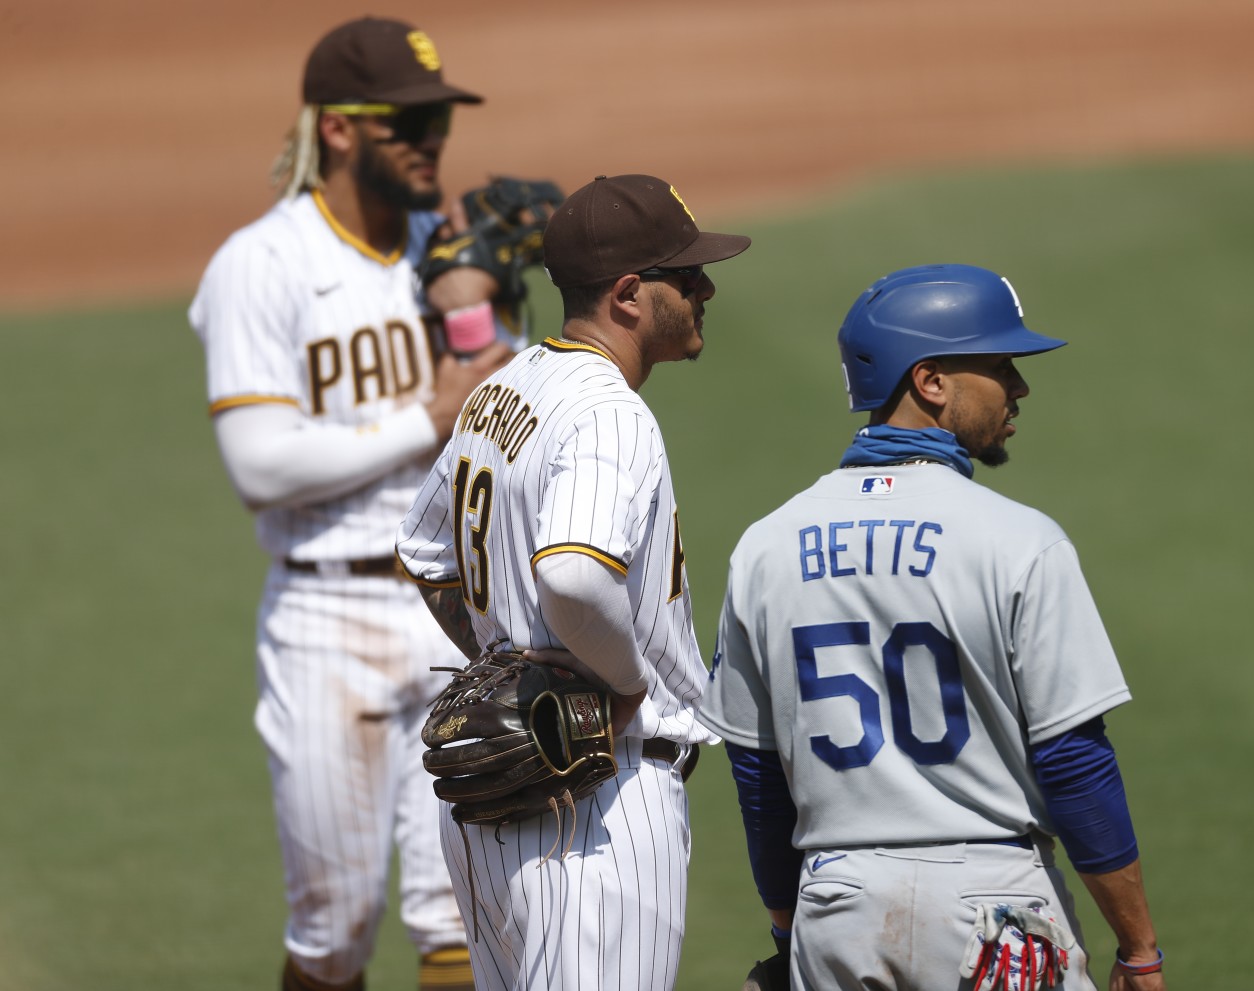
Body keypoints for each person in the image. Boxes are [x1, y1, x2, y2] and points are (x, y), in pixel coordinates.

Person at [700, 264, 1166, 991]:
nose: (1019, 387)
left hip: (838, 907)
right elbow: (1074, 761)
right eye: (999, 365)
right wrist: (1139, 947)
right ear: (931, 381)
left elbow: (757, 774)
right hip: (995, 906)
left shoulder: (766, 545)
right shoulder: (1019, 540)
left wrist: (790, 931)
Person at [187, 17, 514, 991]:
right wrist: (429, 414)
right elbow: (262, 465)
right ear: (337, 129)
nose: (430, 142)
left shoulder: (448, 252)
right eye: (404, 123)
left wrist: (494, 315)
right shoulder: (264, 263)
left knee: (461, 907)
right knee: (335, 927)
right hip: (326, 618)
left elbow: (489, 410)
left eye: (437, 123)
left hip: (451, 611)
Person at [395, 174, 751, 991]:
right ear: (629, 294)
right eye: (686, 276)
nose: (706, 289)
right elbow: (573, 572)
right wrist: (622, 682)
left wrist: (506, 660)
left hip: (497, 812)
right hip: (596, 807)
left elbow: (422, 553)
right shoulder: (609, 413)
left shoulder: (503, 389)